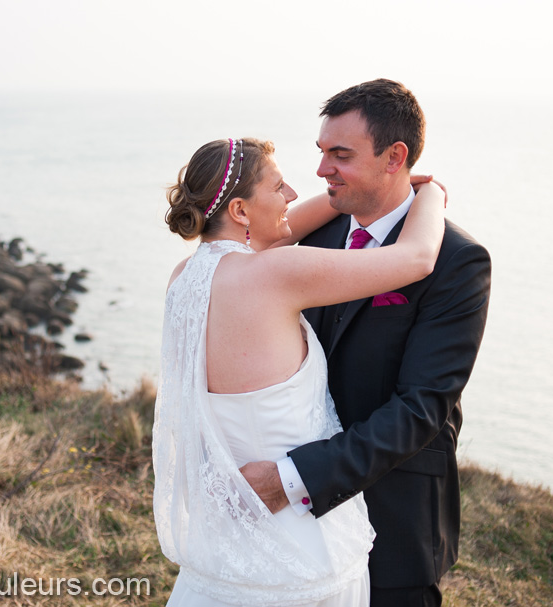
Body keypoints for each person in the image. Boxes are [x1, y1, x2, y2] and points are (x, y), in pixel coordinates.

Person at [155, 136, 446, 606]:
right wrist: (429, 192)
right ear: (241, 211)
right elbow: (417, 257)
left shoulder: (183, 279)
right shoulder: (276, 273)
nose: (291, 194)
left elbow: (283, 230)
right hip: (298, 537)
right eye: (278, 186)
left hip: (229, 530)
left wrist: (353, 198)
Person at [240, 79, 492, 607]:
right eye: (322, 152)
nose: (322, 169)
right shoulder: (314, 236)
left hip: (393, 519)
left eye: (341, 154)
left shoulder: (457, 262)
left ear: (394, 157)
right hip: (293, 528)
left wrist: (292, 479)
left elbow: (422, 407)